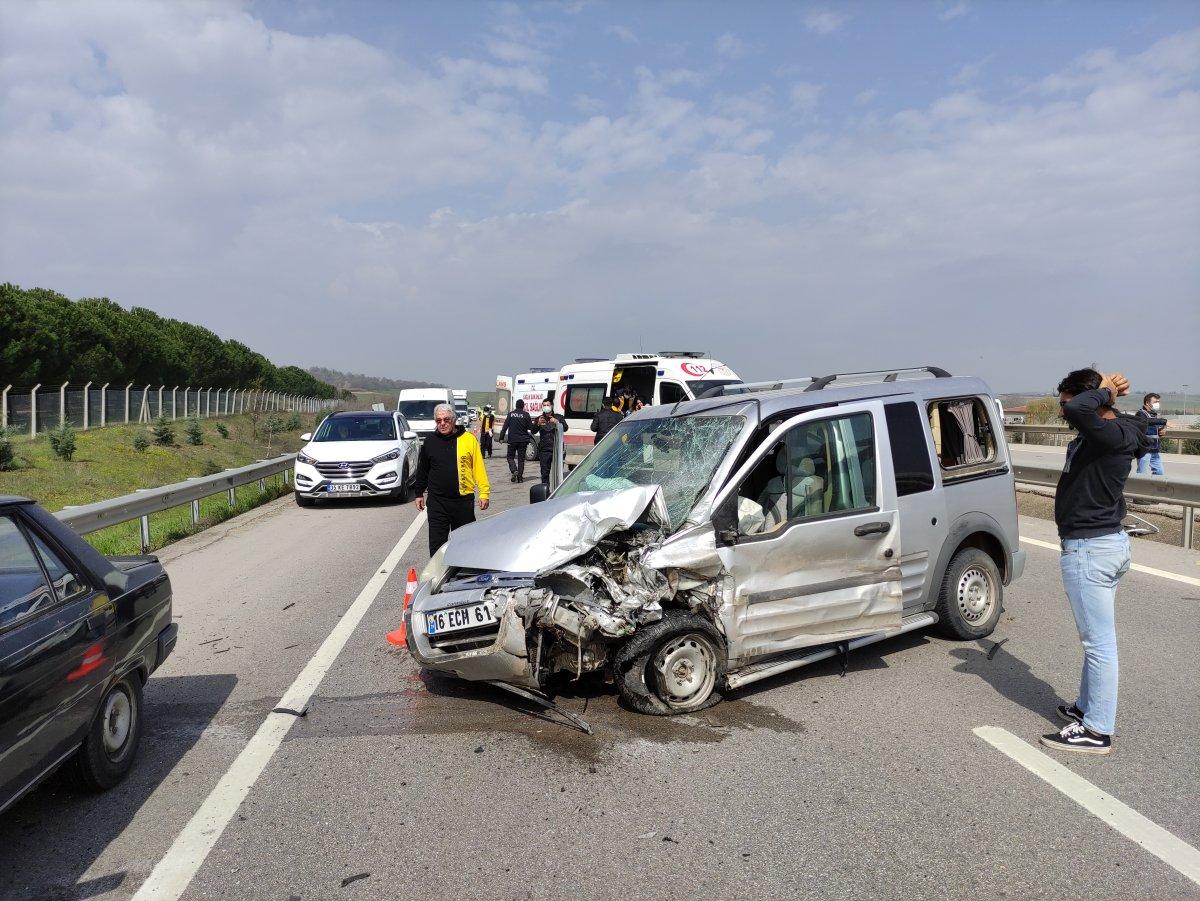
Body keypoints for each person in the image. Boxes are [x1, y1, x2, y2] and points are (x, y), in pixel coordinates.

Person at [1040, 368, 1149, 756]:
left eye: (1064, 401)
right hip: (1108, 544)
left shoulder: (1103, 432)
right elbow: (1092, 413)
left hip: (1090, 549)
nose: (1062, 410)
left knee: (1099, 644)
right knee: (1096, 641)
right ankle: (1085, 708)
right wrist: (1104, 397)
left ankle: (1097, 730)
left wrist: (1102, 391)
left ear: (1086, 401)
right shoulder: (1114, 430)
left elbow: (1081, 410)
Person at [412, 403, 490, 556]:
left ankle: (463, 575)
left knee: (465, 544)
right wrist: (419, 493)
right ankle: (437, 577)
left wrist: (484, 493)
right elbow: (423, 470)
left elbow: (478, 468)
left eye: (446, 420)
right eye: (438, 420)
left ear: (454, 420)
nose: (442, 423)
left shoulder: (468, 439)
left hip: (462, 501)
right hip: (437, 502)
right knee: (437, 545)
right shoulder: (430, 441)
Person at [533, 400, 568, 485]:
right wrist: (538, 424)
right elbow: (533, 431)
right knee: (544, 473)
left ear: (552, 406)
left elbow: (566, 428)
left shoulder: (559, 417)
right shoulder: (540, 418)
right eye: (544, 405)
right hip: (544, 450)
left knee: (558, 473)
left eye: (548, 405)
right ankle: (546, 492)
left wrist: (557, 422)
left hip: (557, 449)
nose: (546, 406)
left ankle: (557, 491)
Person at [499, 399, 534, 483]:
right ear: (523, 406)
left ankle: (514, 470)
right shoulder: (526, 415)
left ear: (516, 405)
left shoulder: (511, 414)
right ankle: (520, 478)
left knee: (510, 457)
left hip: (512, 440)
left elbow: (505, 427)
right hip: (523, 440)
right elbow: (530, 427)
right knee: (521, 460)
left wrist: (501, 438)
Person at [1134, 393, 1167, 476]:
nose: (1157, 404)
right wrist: (1164, 421)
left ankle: (1152, 488)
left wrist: (1163, 429)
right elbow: (1146, 421)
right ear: (1147, 403)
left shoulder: (1154, 415)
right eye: (1155, 402)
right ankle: (1139, 488)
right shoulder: (1140, 414)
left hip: (1155, 449)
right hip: (1144, 450)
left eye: (1158, 402)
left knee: (1160, 472)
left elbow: (1156, 429)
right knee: (1142, 474)